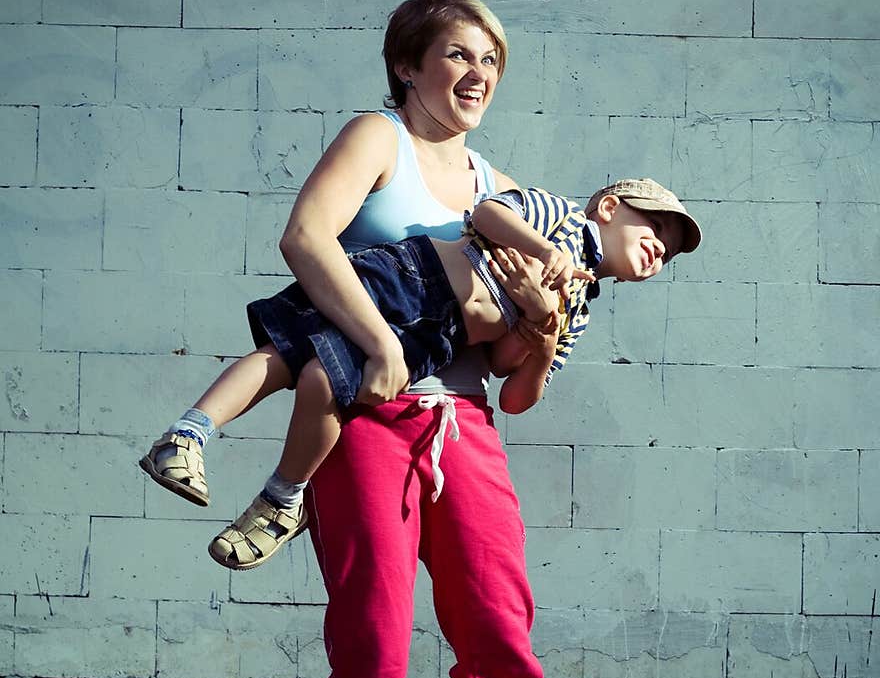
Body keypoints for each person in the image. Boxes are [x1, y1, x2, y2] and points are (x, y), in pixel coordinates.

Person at [144, 0, 701, 678]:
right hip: (366, 411)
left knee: (499, 631)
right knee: (373, 635)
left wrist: (543, 317)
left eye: (491, 61)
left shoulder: (497, 180)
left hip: (464, 421)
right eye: (457, 55)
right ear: (410, 63)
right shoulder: (380, 137)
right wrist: (378, 340)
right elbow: (304, 238)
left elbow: (513, 381)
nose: (477, 74)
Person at [138, 175, 699, 571]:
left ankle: (282, 499)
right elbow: (487, 213)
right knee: (286, 351)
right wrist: (540, 252)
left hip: (438, 336)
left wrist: (543, 329)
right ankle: (188, 434)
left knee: (324, 379)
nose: (660, 250)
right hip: (412, 278)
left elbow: (511, 383)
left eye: (669, 255)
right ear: (610, 208)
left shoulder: (578, 306)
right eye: (655, 230)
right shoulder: (559, 216)